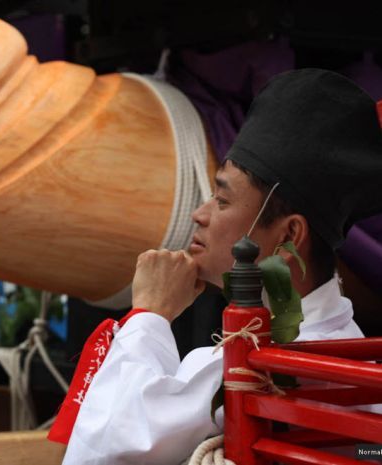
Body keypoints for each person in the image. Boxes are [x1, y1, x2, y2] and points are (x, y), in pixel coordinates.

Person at [55, 69, 382, 464]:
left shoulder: (260, 364)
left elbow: (103, 451)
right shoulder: (345, 345)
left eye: (222, 201)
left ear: (289, 235)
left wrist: (150, 313)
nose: (199, 214)